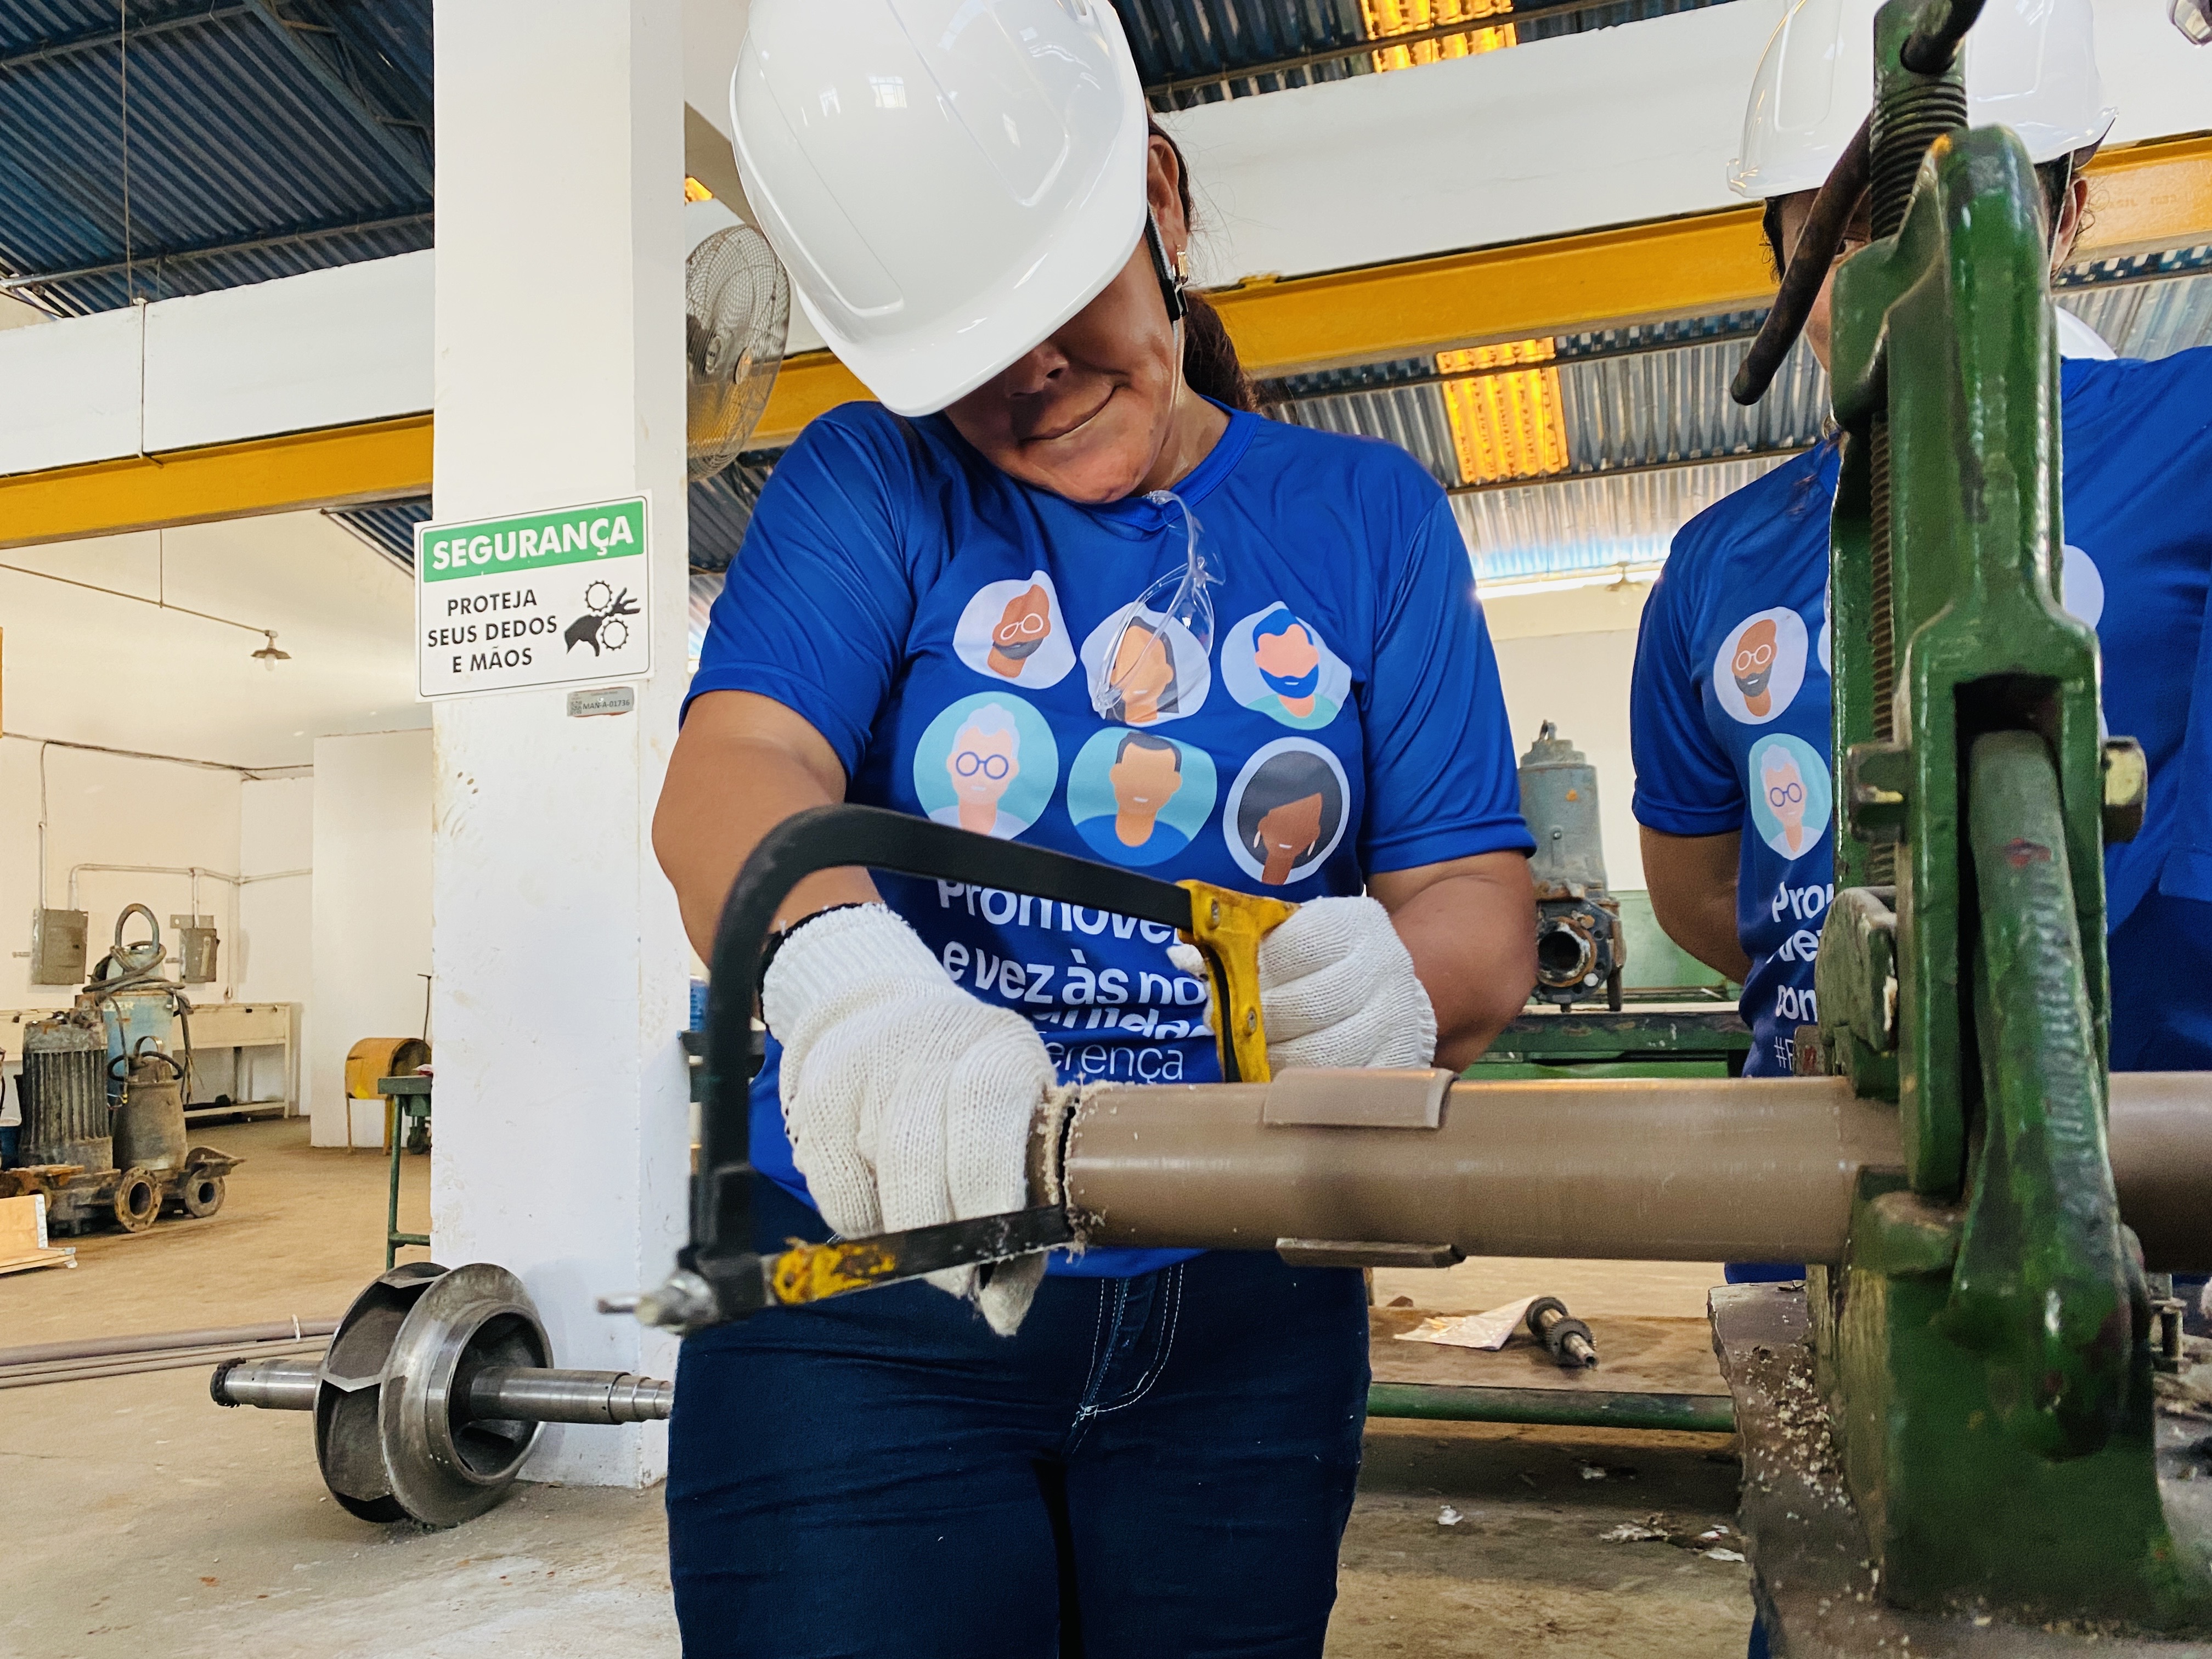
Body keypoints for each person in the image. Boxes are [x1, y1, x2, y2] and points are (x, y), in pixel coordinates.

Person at [651, 4, 1538, 1655]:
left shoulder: (1369, 520)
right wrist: (853, 990)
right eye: (965, 350)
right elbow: (737, 767)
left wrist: (1394, 992)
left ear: (1160, 203)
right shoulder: (874, 484)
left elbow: (1476, 894)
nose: (1030, 377)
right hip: (873, 1294)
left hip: (1249, 1306)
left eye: (1057, 302)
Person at [1632, 0, 2212, 1102]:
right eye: (1847, 230)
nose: (1904, 273)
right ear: (1784, 253)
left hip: (2125, 1152)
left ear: (2066, 216)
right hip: (1803, 1154)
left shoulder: (2193, 436)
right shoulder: (1714, 565)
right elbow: (1706, 894)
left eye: (1964, 217)